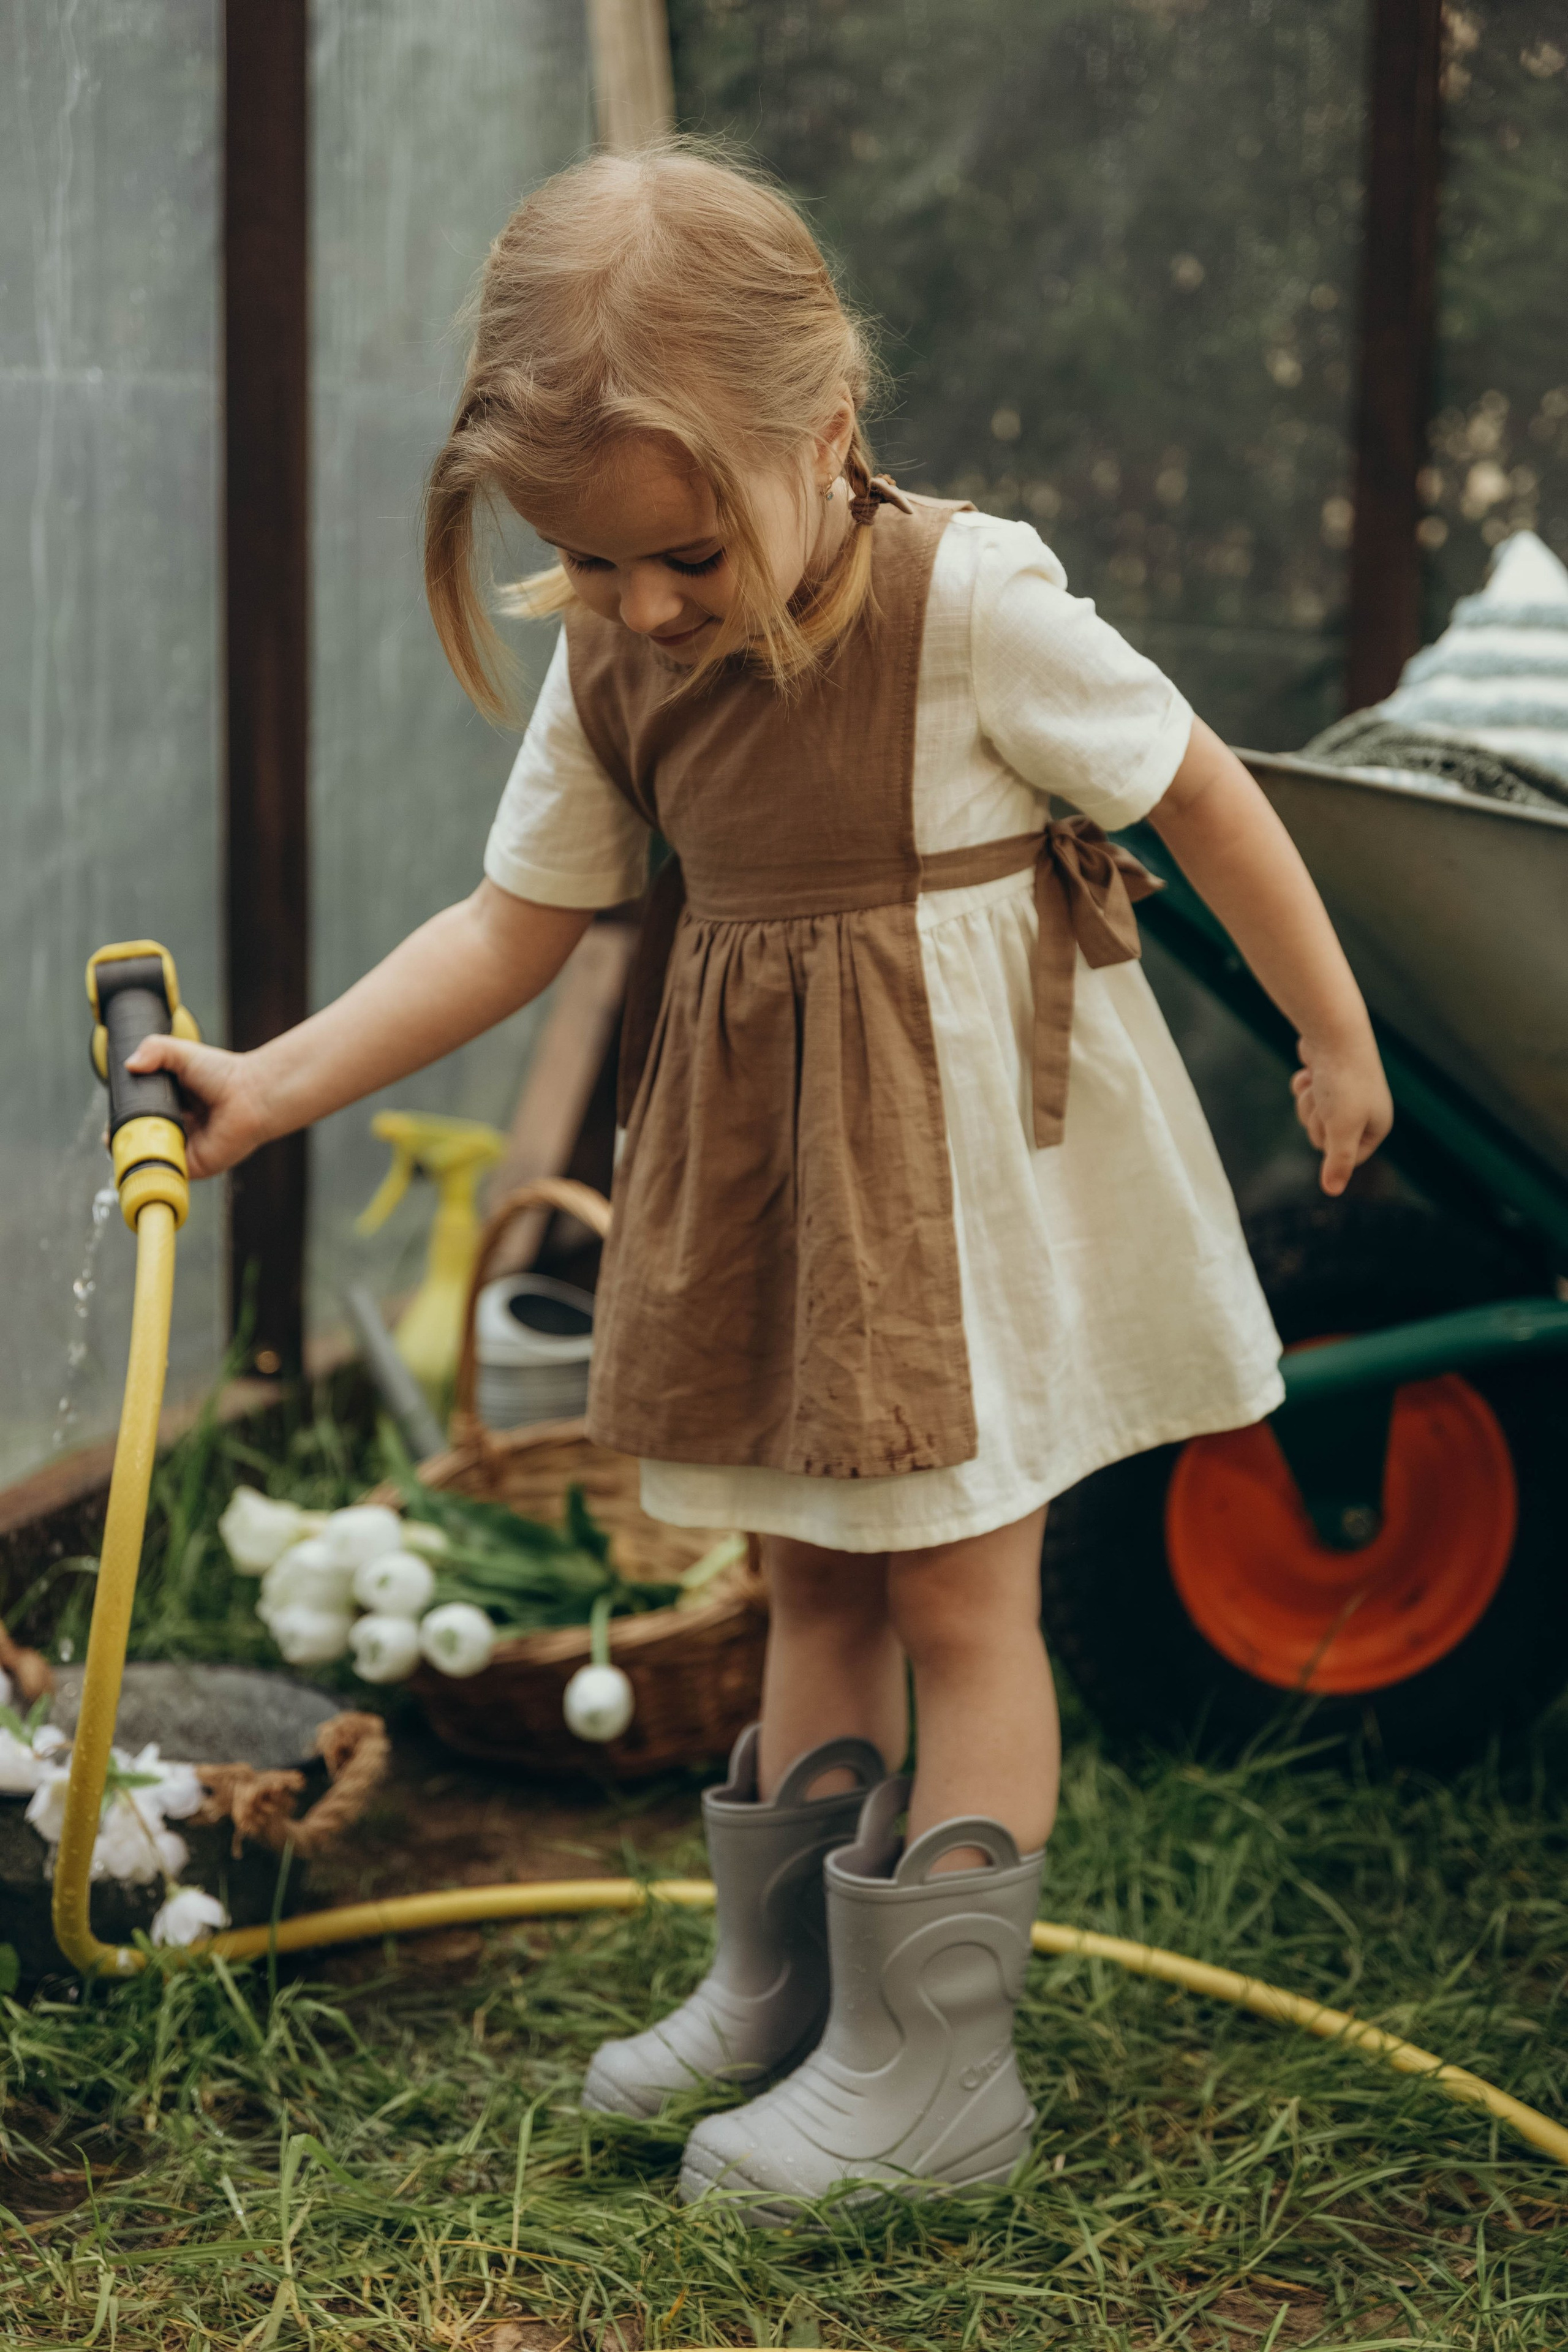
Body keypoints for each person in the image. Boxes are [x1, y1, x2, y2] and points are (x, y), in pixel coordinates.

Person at [134, 145, 1392, 2221]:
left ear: (824, 434)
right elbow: (509, 923)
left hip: (965, 1183)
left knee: (965, 1598)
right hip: (779, 1185)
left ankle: (936, 2073)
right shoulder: (615, 636)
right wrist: (269, 1086)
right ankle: (786, 1984)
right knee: (808, 1570)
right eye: (590, 563)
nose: (640, 608)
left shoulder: (967, 602)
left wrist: (1331, 1031)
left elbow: (1200, 786)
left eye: (682, 560)